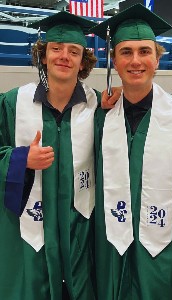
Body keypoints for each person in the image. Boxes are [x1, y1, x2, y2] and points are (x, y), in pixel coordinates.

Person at [90, 4, 172, 299]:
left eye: (144, 51)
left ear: (157, 60)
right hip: (111, 249)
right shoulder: (98, 118)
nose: (135, 60)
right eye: (126, 52)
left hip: (163, 253)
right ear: (113, 61)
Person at [0, 11, 100, 300]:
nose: (64, 56)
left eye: (74, 51)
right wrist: (20, 159)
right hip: (26, 230)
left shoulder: (99, 107)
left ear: (83, 61)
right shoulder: (11, 103)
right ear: (44, 56)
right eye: (56, 49)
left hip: (79, 227)